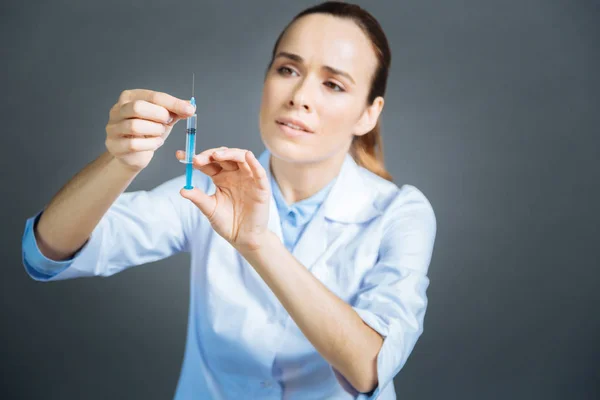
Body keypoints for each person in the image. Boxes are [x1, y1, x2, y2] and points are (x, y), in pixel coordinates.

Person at [21, 2, 436, 399]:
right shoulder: (207, 192)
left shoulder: (400, 213)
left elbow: (369, 368)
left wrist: (258, 243)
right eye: (287, 69)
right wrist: (120, 161)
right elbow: (45, 254)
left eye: (333, 83)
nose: (299, 95)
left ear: (369, 113)